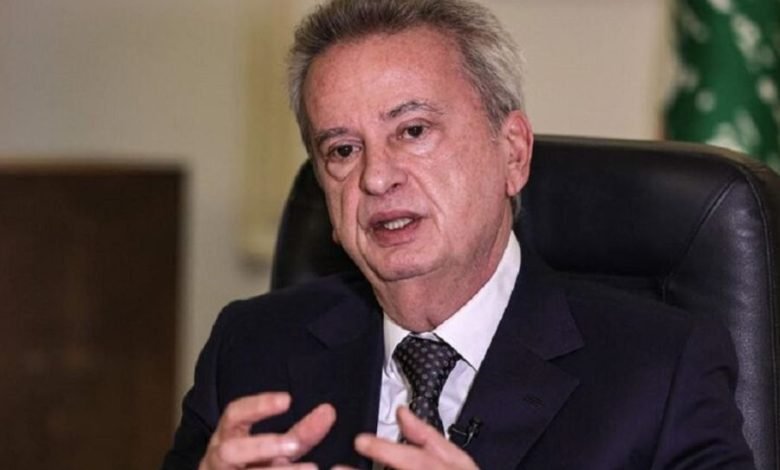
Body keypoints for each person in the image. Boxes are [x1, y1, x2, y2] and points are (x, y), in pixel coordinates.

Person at [162, 0, 755, 468]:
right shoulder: (251, 349)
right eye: (342, 149)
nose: (376, 177)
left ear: (512, 153)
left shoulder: (660, 370)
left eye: (413, 131)